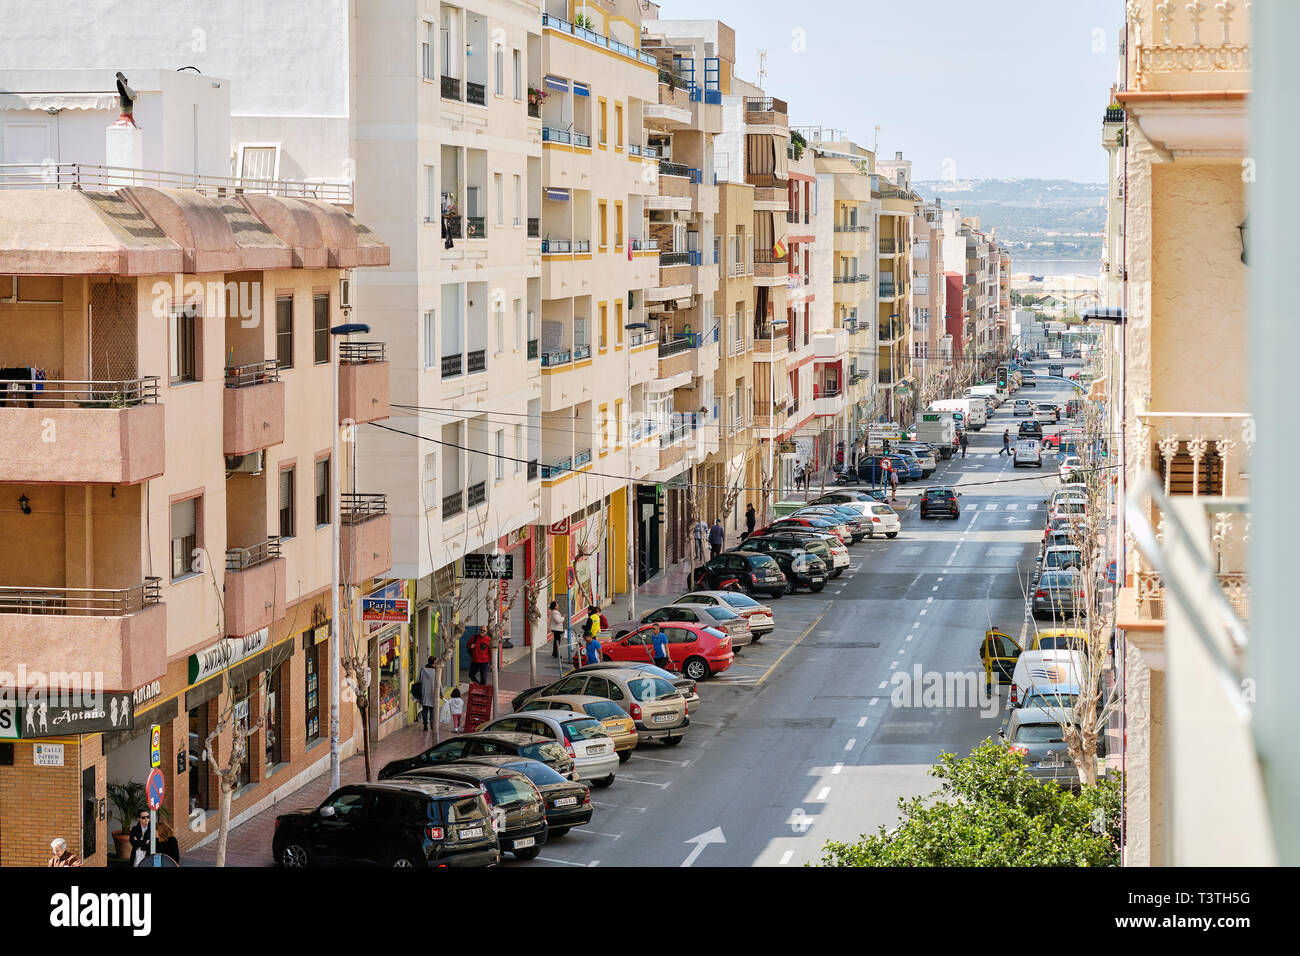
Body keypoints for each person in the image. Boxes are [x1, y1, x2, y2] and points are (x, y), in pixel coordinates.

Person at [418, 656, 439, 731]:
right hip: (433, 693)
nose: (437, 663)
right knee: (432, 710)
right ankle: (432, 725)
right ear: (433, 663)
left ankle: (425, 725)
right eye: (436, 662)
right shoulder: (436, 671)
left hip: (424, 692)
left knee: (425, 710)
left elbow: (419, 680)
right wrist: (441, 693)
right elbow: (439, 684)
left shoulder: (422, 670)